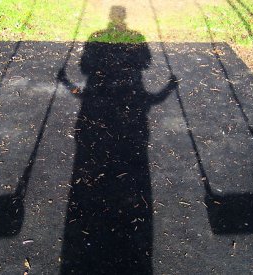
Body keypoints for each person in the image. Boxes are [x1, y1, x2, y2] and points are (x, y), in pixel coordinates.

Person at [58, 6, 177, 274]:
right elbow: (150, 91)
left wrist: (67, 83)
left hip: (93, 128)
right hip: (132, 130)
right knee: (131, 170)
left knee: (93, 170)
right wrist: (168, 87)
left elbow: (82, 88)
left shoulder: (98, 50)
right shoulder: (135, 82)